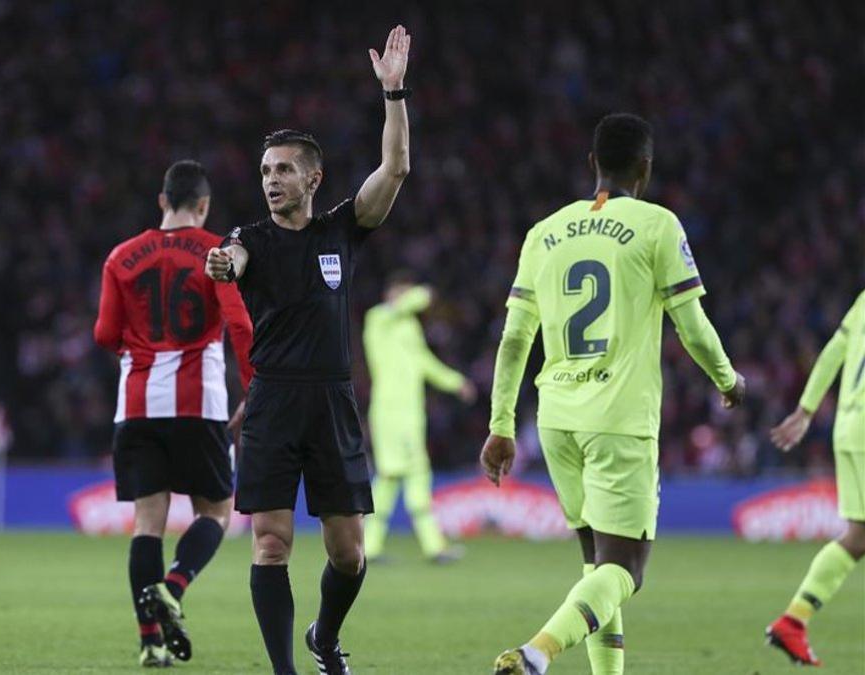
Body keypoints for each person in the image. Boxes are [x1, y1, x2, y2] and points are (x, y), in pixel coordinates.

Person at [480, 113, 746, 675]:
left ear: (591, 165)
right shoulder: (657, 225)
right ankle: (536, 652)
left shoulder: (543, 232)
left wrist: (501, 424)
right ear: (645, 168)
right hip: (618, 417)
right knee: (626, 569)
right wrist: (728, 379)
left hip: (555, 418)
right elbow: (692, 325)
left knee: (596, 567)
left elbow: (513, 341)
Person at [204, 24, 412, 675]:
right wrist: (220, 262)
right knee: (271, 543)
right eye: (266, 170)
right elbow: (230, 258)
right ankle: (285, 670)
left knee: (348, 551)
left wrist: (394, 93)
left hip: (331, 400)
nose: (272, 179)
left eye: (284, 169)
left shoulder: (340, 229)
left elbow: (397, 167)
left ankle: (323, 633)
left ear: (313, 177)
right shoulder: (252, 238)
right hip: (271, 400)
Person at [94, 159, 254, 668]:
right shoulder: (215, 253)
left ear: (162, 201)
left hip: (137, 403)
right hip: (198, 402)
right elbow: (240, 325)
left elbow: (103, 334)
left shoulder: (121, 257)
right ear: (203, 206)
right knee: (217, 513)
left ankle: (150, 643)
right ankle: (173, 587)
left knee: (148, 523)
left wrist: (140, 353)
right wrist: (254, 390)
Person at [764, 290, 865, 666]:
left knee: (858, 537)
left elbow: (833, 353)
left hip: (850, 427)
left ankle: (793, 621)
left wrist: (806, 410)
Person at [362, 272, 474, 563]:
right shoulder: (378, 320)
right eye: (401, 293)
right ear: (391, 295)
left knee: (401, 477)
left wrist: (455, 382)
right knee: (398, 475)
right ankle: (427, 546)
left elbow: (426, 363)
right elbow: (407, 303)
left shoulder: (409, 327)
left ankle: (376, 545)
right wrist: (422, 293)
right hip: (390, 412)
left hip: (411, 413)